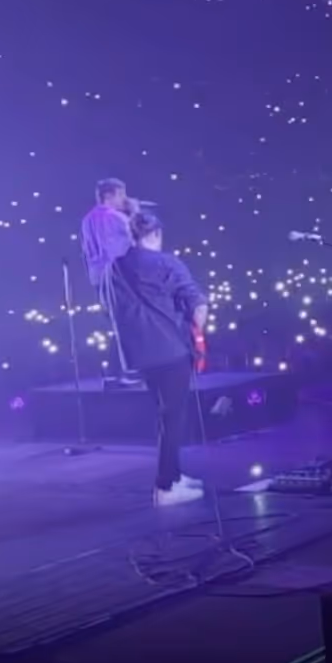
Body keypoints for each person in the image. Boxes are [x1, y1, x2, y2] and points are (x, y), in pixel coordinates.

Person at [108, 210, 209, 507]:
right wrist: (198, 334)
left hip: (140, 353)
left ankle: (173, 475)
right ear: (156, 234)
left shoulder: (116, 266)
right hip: (171, 349)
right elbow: (197, 303)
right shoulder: (167, 263)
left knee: (166, 416)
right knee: (173, 417)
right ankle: (165, 487)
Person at [81, 178, 142, 386]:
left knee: (118, 324)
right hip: (119, 276)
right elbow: (134, 242)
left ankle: (114, 373)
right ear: (109, 195)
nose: (124, 199)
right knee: (128, 322)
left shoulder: (87, 220)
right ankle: (125, 371)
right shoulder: (116, 217)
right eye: (121, 195)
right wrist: (134, 213)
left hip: (98, 277)